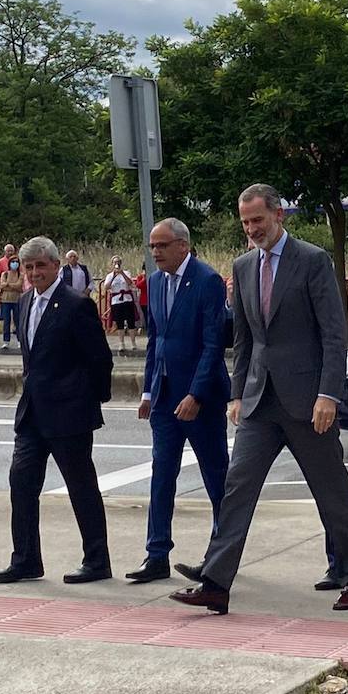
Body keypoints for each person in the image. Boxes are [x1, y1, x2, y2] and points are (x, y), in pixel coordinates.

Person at [170, 183, 348, 614]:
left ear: (279, 215)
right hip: (260, 402)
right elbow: (244, 340)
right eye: (245, 222)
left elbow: (334, 334)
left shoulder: (312, 260)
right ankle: (216, 583)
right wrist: (237, 393)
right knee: (236, 488)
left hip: (308, 401)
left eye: (258, 220)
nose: (251, 229)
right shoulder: (243, 266)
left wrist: (328, 394)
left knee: (331, 491)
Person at [0, 236, 114, 585]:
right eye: (29, 267)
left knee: (81, 487)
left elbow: (100, 359)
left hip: (69, 415)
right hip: (32, 413)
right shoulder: (27, 300)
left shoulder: (76, 305)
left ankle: (97, 560)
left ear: (56, 266)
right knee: (22, 483)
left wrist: (88, 400)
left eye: (41, 266)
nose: (34, 272)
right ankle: (26, 559)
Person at [129, 218, 231, 584]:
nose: (155, 252)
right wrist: (147, 391)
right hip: (164, 397)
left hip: (200, 399)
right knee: (161, 474)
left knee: (216, 476)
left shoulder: (207, 281)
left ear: (183, 246)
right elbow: (156, 340)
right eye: (152, 246)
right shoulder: (155, 283)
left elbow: (212, 344)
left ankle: (221, 556)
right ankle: (156, 554)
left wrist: (196, 394)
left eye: (162, 245)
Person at [102, 255, 140, 354]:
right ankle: (121, 343)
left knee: (131, 321)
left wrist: (122, 273)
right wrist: (114, 276)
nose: (116, 264)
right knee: (119, 323)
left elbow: (130, 283)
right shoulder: (110, 275)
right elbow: (106, 287)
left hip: (127, 299)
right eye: (115, 262)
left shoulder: (126, 273)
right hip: (116, 301)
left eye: (118, 262)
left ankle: (133, 343)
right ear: (112, 264)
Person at [0, 244, 23, 350]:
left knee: (18, 320)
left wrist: (8, 285)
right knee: (6, 321)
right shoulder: (4, 273)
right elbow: (1, 284)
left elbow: (19, 285)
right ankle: (6, 341)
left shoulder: (21, 274)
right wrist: (11, 286)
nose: (14, 264)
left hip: (17, 300)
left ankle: (20, 340)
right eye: (13, 262)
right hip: (5, 300)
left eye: (16, 262)